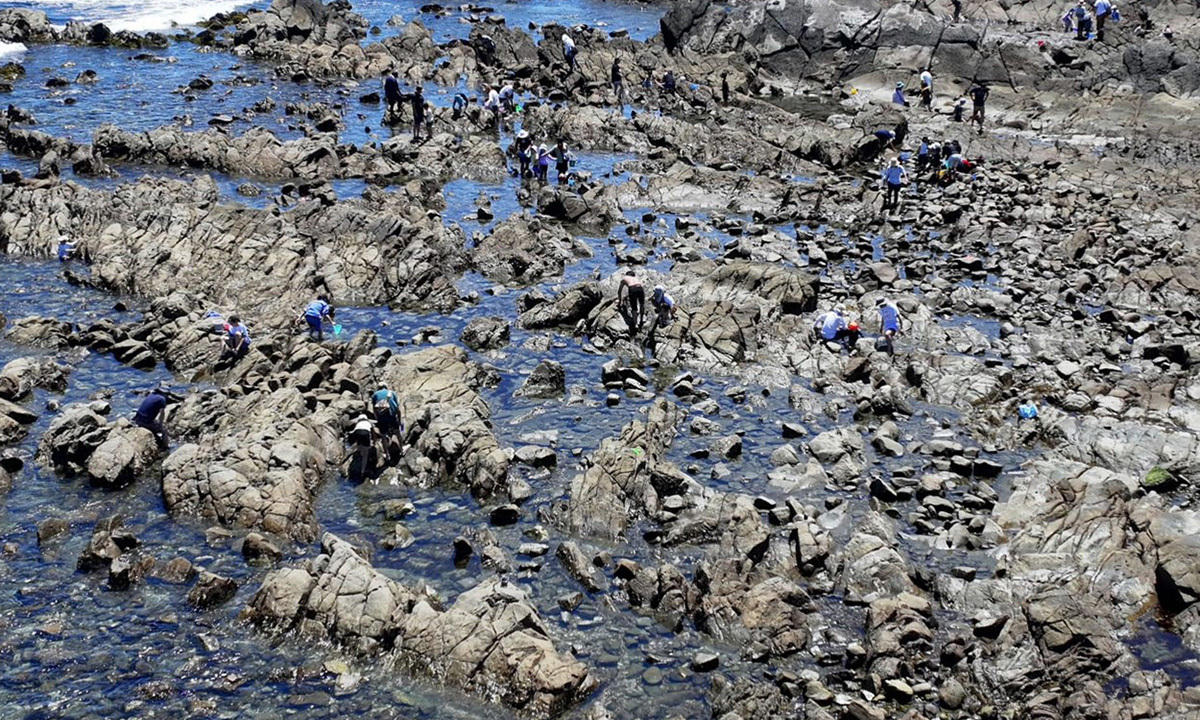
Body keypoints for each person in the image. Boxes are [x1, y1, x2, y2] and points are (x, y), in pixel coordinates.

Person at [371, 382, 403, 456]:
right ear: (386, 387)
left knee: (383, 435)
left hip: (382, 417)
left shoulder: (375, 394)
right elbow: (397, 407)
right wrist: (399, 419)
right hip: (392, 415)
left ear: (378, 388)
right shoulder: (392, 393)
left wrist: (377, 417)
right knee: (398, 432)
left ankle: (387, 454)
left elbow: (374, 408)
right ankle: (401, 449)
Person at [348, 413, 380, 479]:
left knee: (359, 444)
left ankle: (360, 452)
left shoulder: (358, 423)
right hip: (365, 432)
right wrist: (374, 441)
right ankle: (362, 471)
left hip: (357, 432)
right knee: (366, 453)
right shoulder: (369, 423)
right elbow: (374, 433)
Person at [617, 270, 645, 335]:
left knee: (634, 307)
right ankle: (641, 320)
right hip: (640, 288)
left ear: (627, 275)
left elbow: (619, 291)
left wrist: (620, 302)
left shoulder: (624, 278)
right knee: (641, 304)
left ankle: (636, 324)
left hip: (632, 288)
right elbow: (639, 286)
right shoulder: (636, 278)